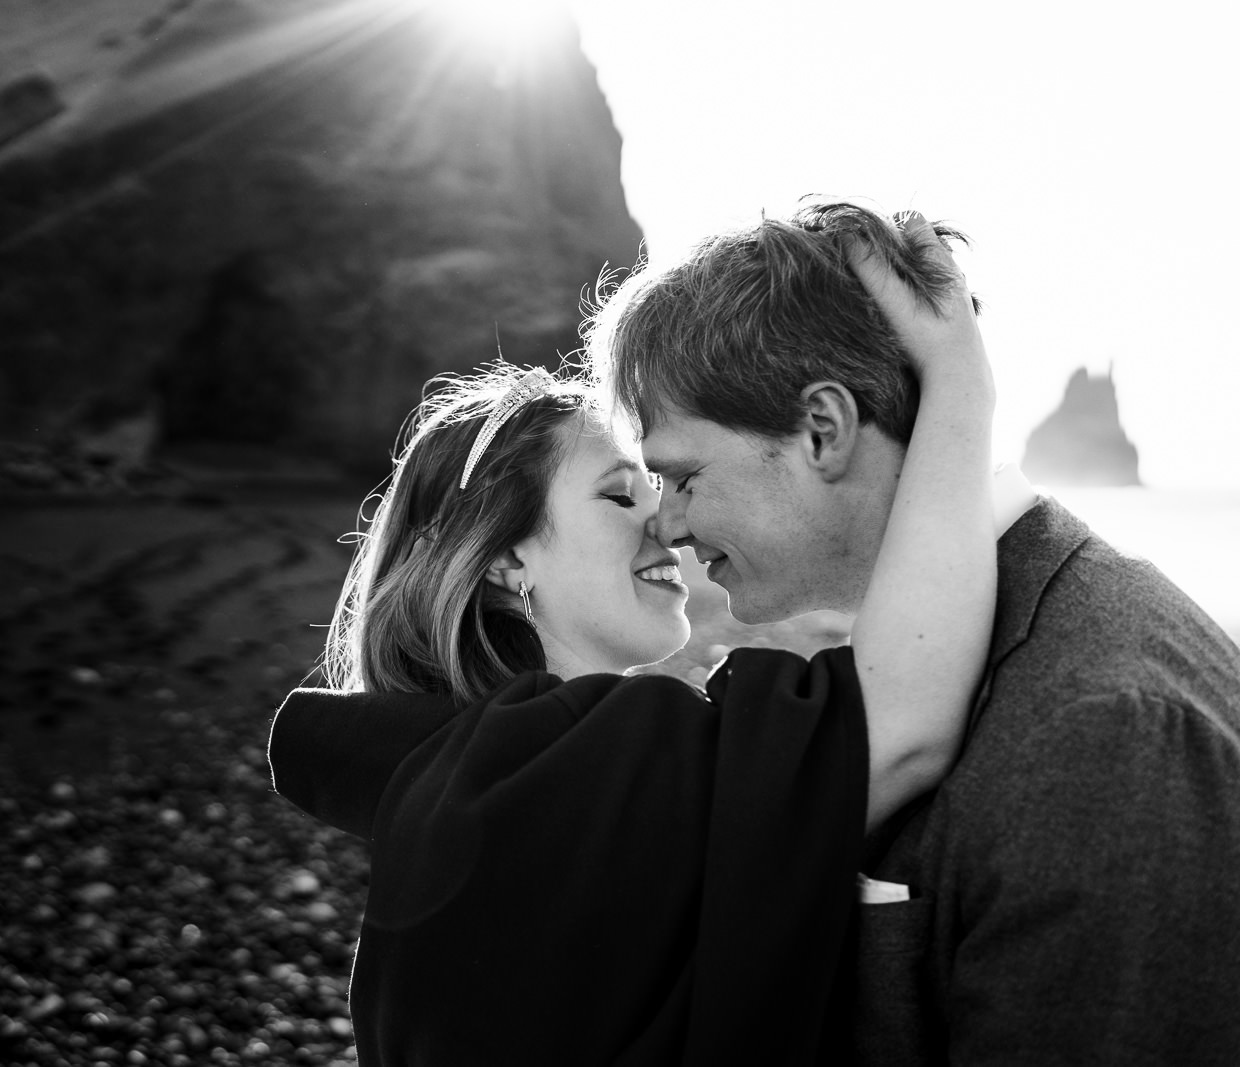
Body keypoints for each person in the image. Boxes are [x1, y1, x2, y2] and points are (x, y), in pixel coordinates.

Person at [269, 214, 997, 1064]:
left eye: (668, 481)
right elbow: (903, 718)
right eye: (623, 495)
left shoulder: (473, 779)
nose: (669, 520)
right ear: (507, 558)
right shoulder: (575, 767)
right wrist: (959, 379)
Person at [585, 200, 1240, 1065]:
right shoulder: (939, 650)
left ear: (823, 430)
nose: (666, 525)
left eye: (686, 477)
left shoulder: (1107, 732)